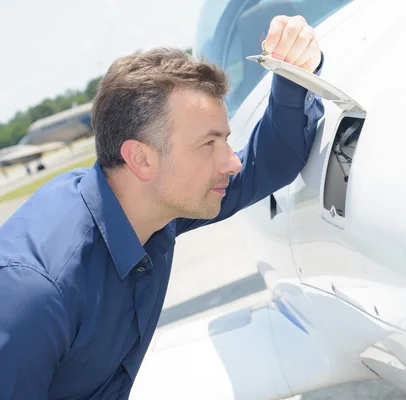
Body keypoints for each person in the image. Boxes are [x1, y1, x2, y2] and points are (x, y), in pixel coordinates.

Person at [0, 15, 324, 399]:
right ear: (141, 159)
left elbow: (268, 161)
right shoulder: (36, 292)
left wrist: (294, 70)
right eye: (208, 144)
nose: (231, 162)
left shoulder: (152, 204)